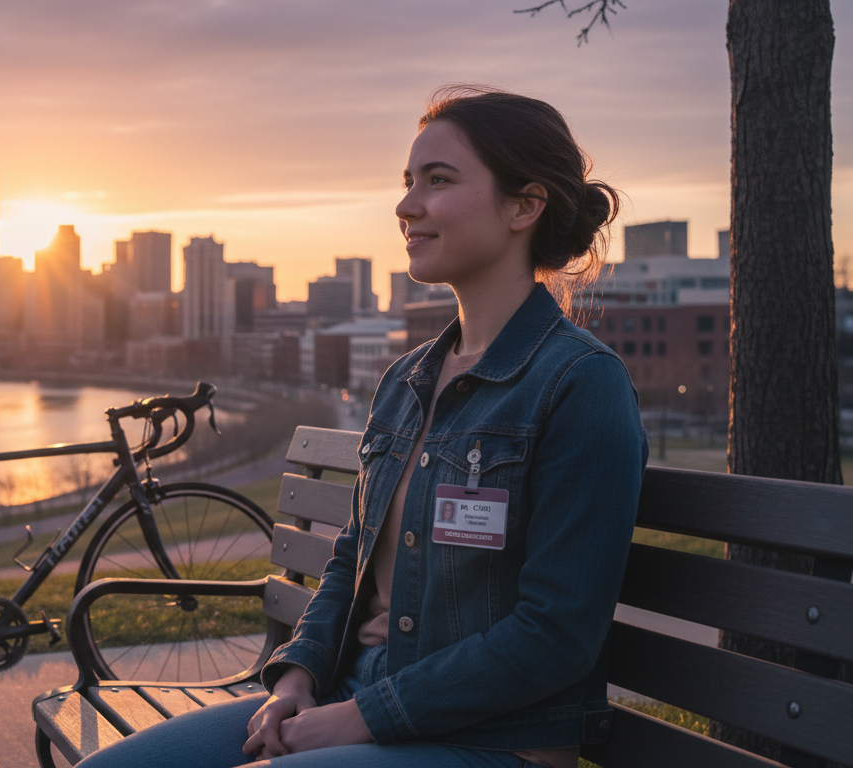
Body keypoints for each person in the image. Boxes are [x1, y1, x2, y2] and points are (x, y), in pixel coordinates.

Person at [76, 86, 648, 768]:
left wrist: (360, 720)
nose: (406, 205)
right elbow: (352, 558)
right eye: (408, 181)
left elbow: (556, 634)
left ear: (525, 206)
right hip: (351, 698)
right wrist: (297, 678)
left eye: (438, 180)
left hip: (490, 742)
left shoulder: (580, 384)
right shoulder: (407, 380)